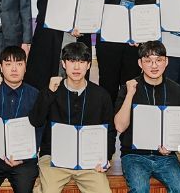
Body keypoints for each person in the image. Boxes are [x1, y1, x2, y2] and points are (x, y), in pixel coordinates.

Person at [28, 42, 116, 193]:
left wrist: (105, 158)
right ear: (63, 64)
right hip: (54, 158)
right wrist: (48, 93)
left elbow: (110, 131)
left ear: (89, 65)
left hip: (88, 161)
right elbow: (36, 121)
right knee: (48, 191)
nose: (76, 67)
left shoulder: (101, 95)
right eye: (72, 61)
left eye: (81, 62)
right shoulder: (52, 90)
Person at [114, 41, 180, 193]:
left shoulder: (178, 91)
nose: (154, 65)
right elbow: (120, 127)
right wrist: (130, 94)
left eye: (159, 60)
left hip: (166, 157)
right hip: (134, 156)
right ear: (140, 63)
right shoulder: (129, 88)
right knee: (140, 189)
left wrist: (173, 147)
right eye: (148, 61)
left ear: (166, 61)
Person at [26, 0, 96, 92]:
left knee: (73, 91)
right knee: (46, 89)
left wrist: (84, 29)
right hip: (49, 45)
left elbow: (92, 16)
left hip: (76, 48)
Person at [0, 46, 41, 193]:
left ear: (25, 67)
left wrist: (24, 156)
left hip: (23, 158)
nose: (14, 69)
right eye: (8, 64)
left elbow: (39, 129)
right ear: (1, 67)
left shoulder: (34, 94)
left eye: (19, 64)